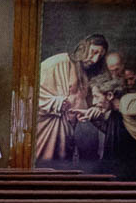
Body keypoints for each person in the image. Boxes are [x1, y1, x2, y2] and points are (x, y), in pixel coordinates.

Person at [35, 33, 109, 162]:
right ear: (83, 47)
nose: (96, 59)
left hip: (75, 128)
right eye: (94, 52)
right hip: (51, 128)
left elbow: (96, 98)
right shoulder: (58, 63)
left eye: (100, 55)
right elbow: (32, 92)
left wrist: (96, 108)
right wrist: (57, 103)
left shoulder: (91, 72)